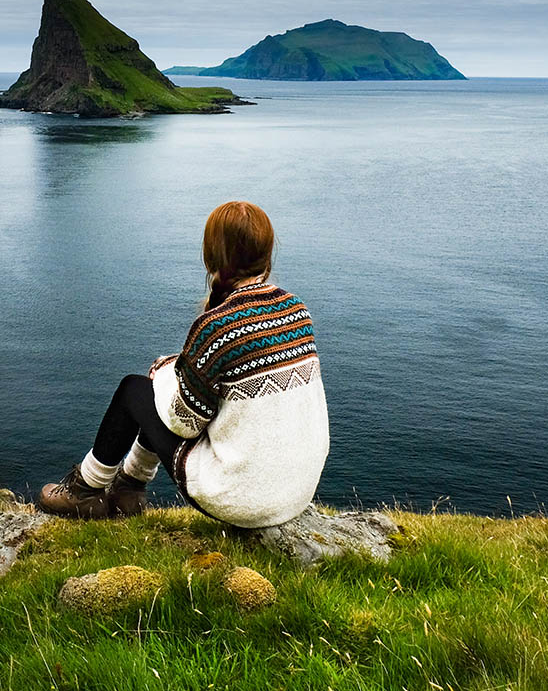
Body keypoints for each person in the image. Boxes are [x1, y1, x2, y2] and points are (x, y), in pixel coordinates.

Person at [37, 201, 330, 528]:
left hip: (243, 498)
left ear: (211, 256)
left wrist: (162, 373)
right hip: (295, 493)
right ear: (266, 252)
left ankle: (84, 491)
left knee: (135, 391)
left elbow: (183, 422)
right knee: (170, 392)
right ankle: (129, 489)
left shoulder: (217, 325)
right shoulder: (296, 310)